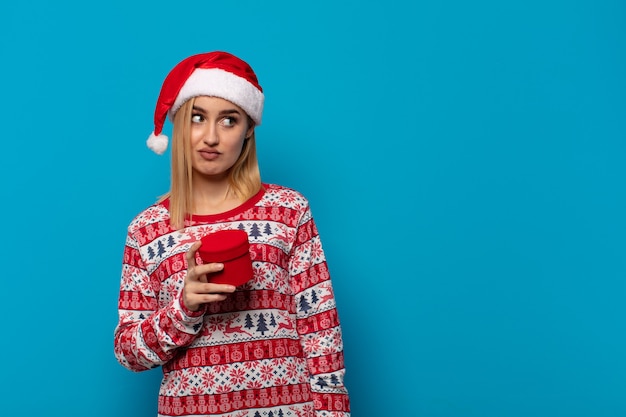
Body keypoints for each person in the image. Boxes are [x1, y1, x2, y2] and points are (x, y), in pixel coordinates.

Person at [114, 51, 351, 417]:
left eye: (228, 119)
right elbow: (129, 353)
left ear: (248, 129)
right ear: (178, 124)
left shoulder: (289, 210)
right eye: (197, 118)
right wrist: (184, 307)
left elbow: (321, 331)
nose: (210, 136)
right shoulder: (146, 230)